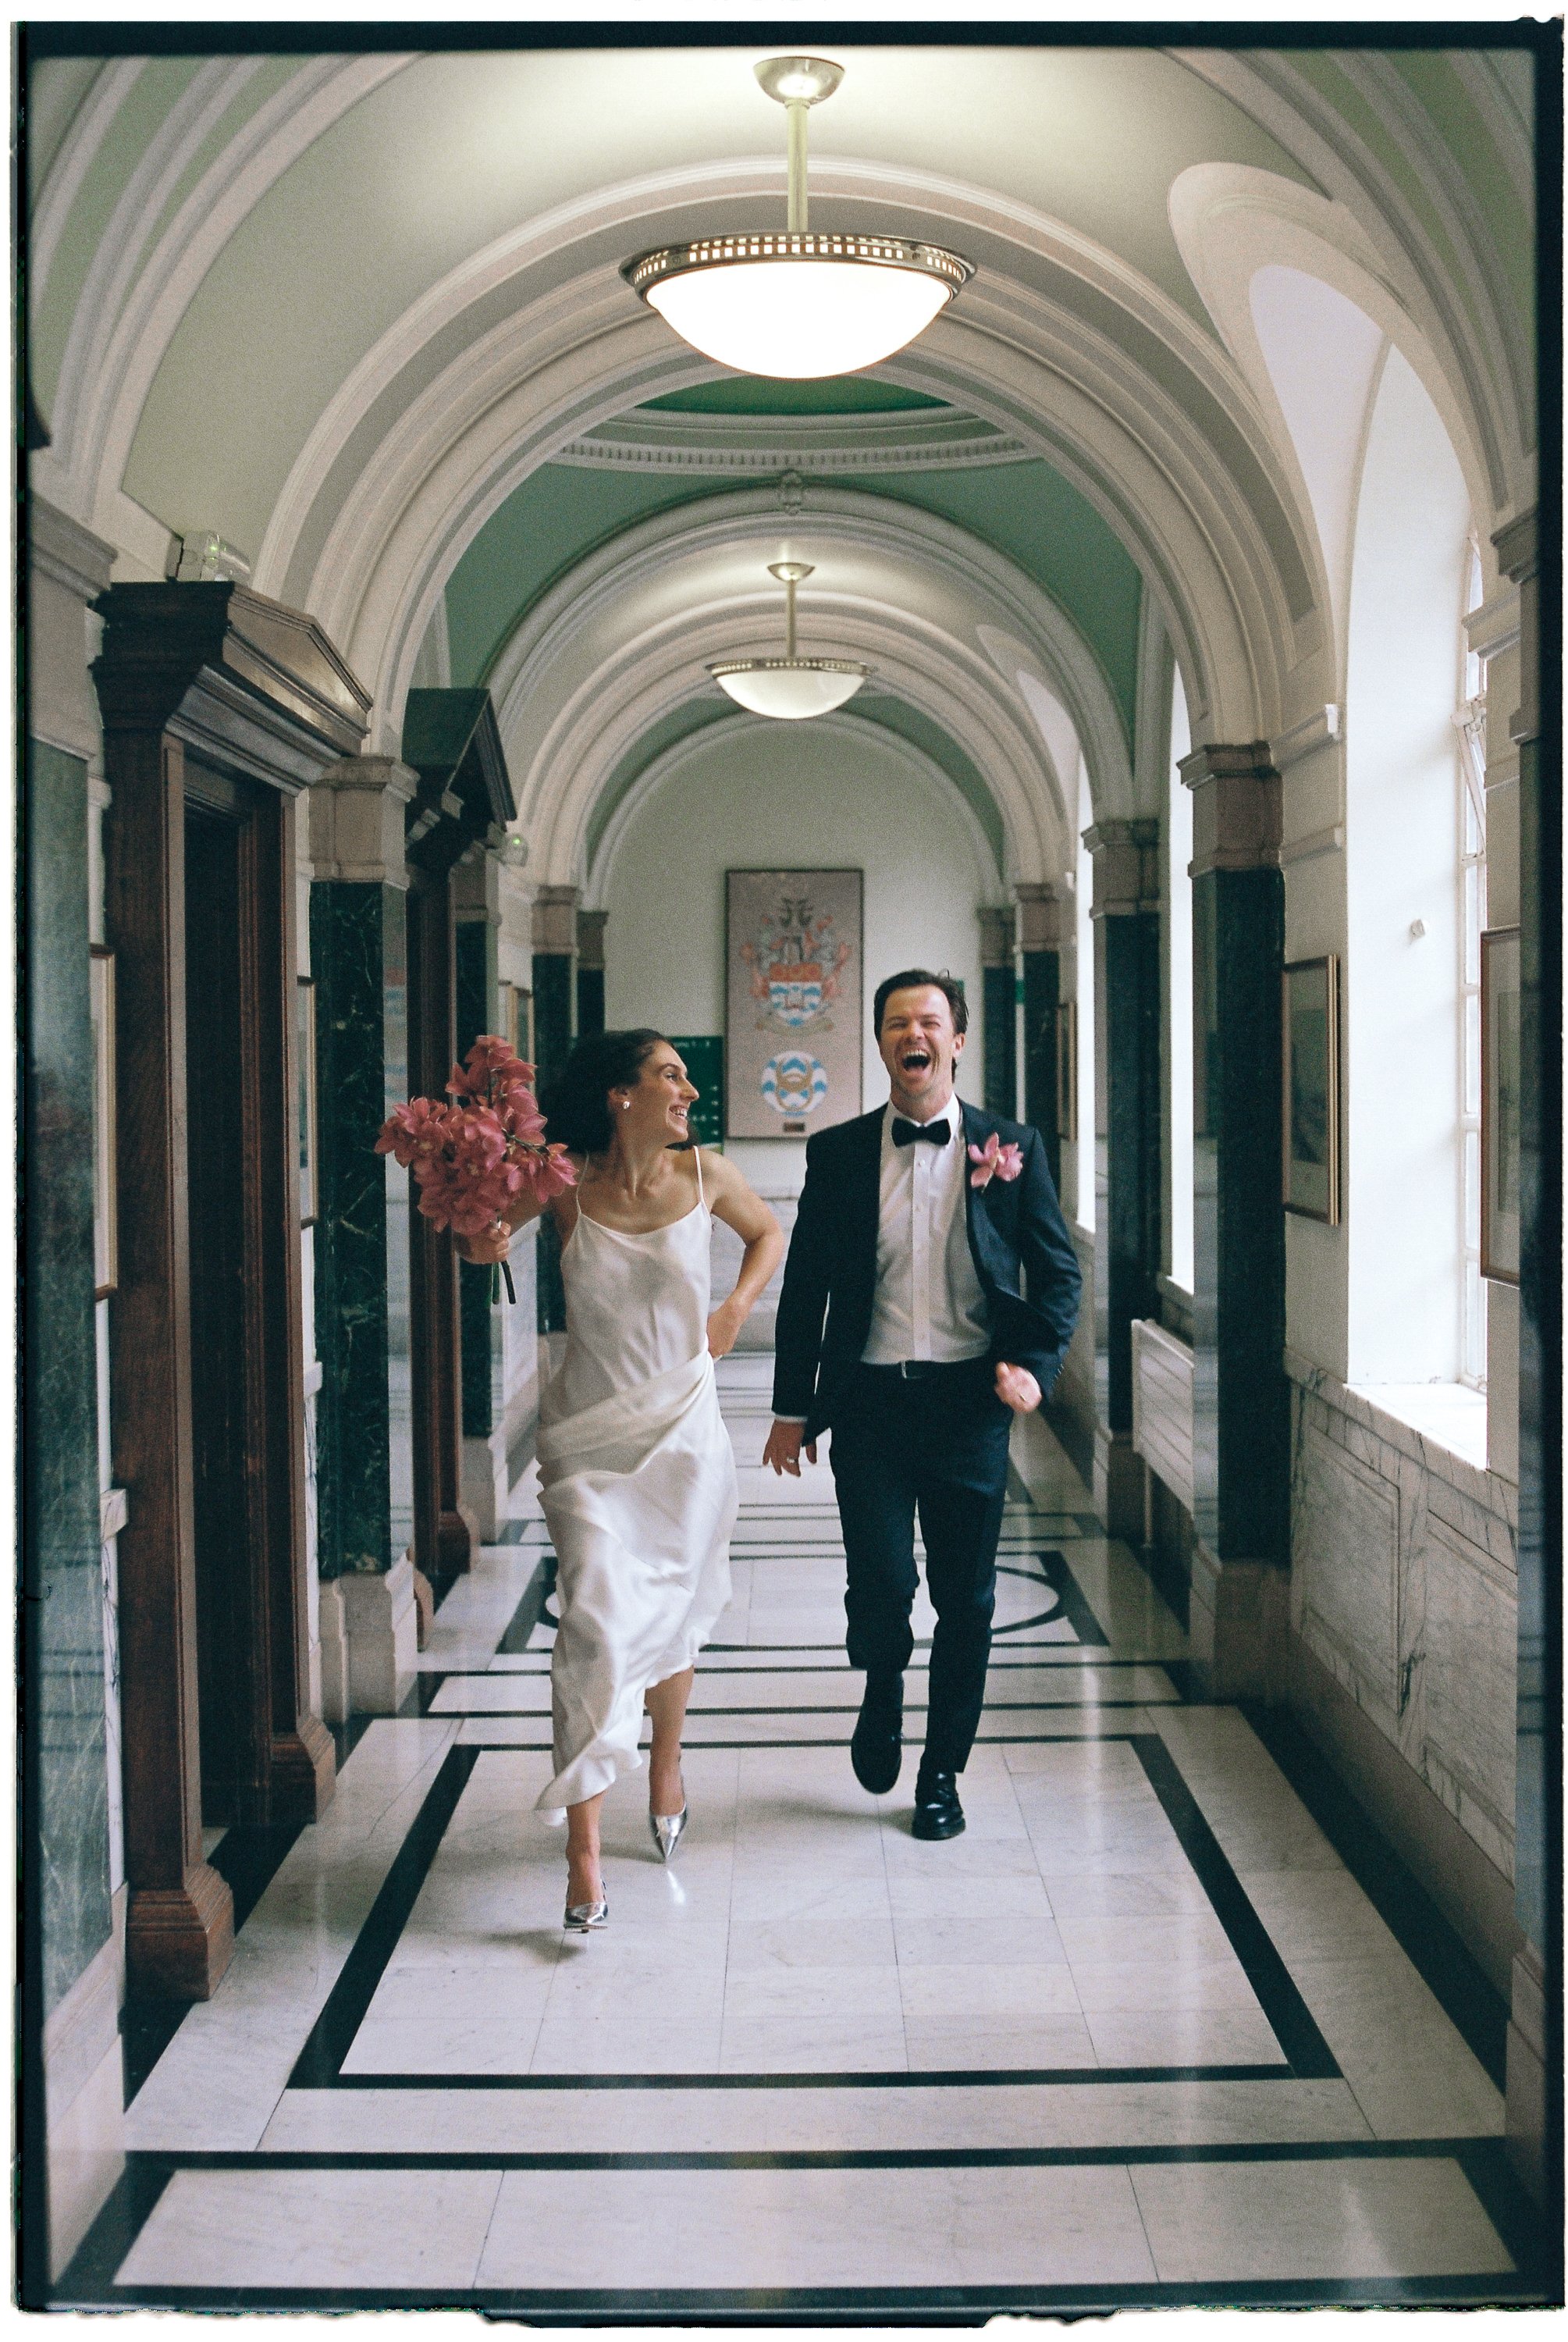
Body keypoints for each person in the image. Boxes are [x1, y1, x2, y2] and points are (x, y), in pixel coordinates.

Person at [462, 1030, 783, 1931]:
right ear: (618, 1094)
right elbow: (476, 1244)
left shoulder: (706, 1173)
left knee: (673, 1612)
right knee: (596, 1624)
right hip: (590, 1442)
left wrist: (731, 1311)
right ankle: (583, 1851)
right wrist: (481, 1241)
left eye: (683, 1076)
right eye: (668, 1075)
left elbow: (767, 1233)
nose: (686, 1088)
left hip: (685, 1438)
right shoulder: (561, 1182)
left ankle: (666, 1764)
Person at [762, 970, 1081, 1842]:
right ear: (880, 1044)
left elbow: (1057, 1275)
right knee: (881, 1585)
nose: (915, 1033)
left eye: (930, 1020)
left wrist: (1034, 1367)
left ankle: (940, 1772)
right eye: (898, 1021)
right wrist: (792, 1408)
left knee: (966, 1598)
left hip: (967, 1405)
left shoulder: (1010, 1149)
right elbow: (805, 1291)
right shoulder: (835, 1155)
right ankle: (880, 1682)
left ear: (957, 1040)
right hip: (867, 1403)